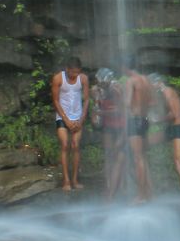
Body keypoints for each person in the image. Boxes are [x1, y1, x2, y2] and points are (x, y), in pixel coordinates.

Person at [51, 56, 89, 191]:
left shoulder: (83, 78)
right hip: (62, 116)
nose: (75, 75)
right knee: (65, 145)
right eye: (73, 72)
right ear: (67, 69)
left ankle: (75, 179)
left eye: (77, 72)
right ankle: (66, 180)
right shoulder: (58, 78)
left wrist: (81, 119)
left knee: (76, 145)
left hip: (77, 116)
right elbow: (55, 101)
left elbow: (86, 100)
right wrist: (66, 120)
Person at [149, 74, 180, 195]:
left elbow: (174, 114)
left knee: (178, 162)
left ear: (158, 82)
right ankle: (149, 190)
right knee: (144, 144)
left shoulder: (167, 92)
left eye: (152, 84)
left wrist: (157, 120)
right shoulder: (162, 93)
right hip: (170, 128)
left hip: (178, 128)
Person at [122, 62, 154, 203]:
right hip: (145, 120)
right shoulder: (146, 80)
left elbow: (127, 103)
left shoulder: (131, 81)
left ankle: (141, 195)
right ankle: (149, 194)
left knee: (137, 158)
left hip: (134, 121)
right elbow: (153, 102)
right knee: (143, 158)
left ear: (126, 68)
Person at [93, 69, 127, 200]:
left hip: (120, 125)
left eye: (101, 82)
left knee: (119, 156)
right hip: (108, 126)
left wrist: (101, 114)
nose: (99, 84)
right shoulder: (97, 90)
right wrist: (96, 116)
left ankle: (122, 186)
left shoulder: (116, 89)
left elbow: (120, 111)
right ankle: (109, 186)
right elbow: (97, 107)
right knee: (108, 155)